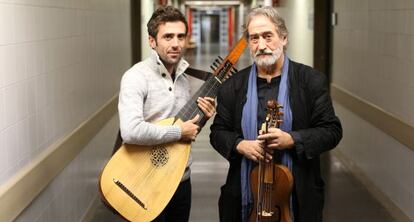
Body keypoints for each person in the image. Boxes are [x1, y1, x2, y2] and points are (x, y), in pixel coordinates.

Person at [209, 6, 342, 222]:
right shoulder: (232, 86)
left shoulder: (310, 81)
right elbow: (217, 133)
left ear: (284, 38)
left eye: (268, 36)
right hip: (243, 196)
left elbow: (331, 131)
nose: (261, 45)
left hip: (299, 197)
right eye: (254, 38)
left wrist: (292, 139)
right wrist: (240, 145)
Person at [118, 6, 215, 222]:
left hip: (180, 180)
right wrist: (179, 131)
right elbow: (130, 131)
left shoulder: (183, 78)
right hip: (144, 181)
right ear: (152, 41)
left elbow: (186, 131)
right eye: (168, 36)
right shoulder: (136, 77)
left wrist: (203, 118)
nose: (176, 44)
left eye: (181, 36)